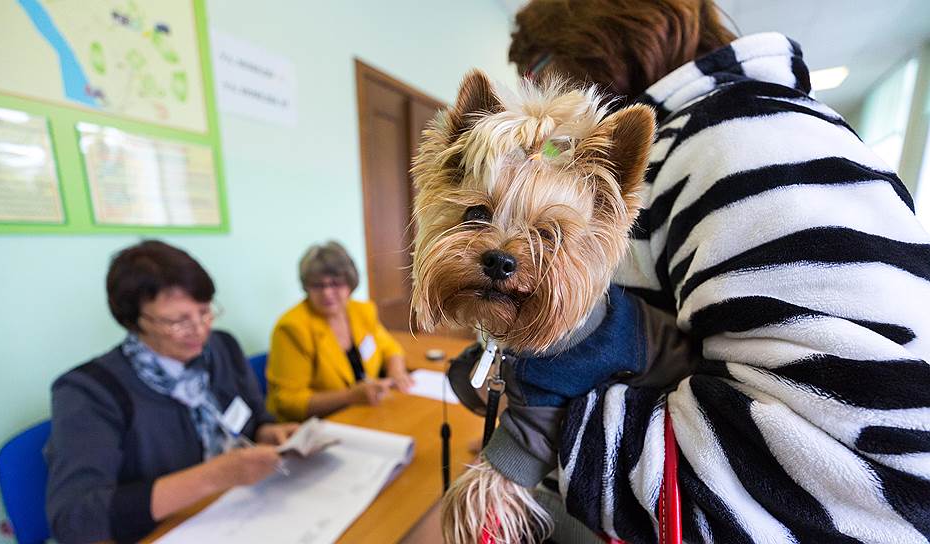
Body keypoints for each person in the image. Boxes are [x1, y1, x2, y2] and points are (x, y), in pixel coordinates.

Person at [464, 1, 930, 542]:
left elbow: (873, 470)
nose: (535, 86)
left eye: (539, 67)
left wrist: (546, 437)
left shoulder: (747, 137)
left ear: (600, 40)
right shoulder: (696, 138)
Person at [45, 240, 298, 543]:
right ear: (134, 322)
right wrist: (215, 476)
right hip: (170, 530)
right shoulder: (89, 391)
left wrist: (269, 432)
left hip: (244, 507)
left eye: (205, 312)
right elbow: (75, 518)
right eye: (178, 321)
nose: (199, 330)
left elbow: (255, 419)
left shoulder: (222, 347)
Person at [265, 241, 414, 421]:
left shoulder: (362, 311)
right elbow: (288, 402)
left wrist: (396, 372)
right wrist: (350, 396)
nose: (327, 292)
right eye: (318, 285)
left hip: (365, 412)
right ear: (306, 287)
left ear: (350, 284)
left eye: (335, 284)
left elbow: (390, 348)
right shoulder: (292, 328)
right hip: (318, 423)